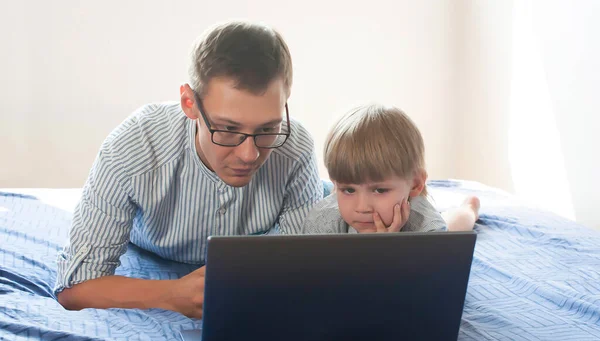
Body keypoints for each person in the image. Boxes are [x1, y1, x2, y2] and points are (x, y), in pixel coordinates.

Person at [55, 21, 323, 318]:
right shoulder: (133, 147)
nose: (250, 155)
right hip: (153, 248)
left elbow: (302, 265)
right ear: (189, 103)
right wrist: (170, 294)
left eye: (268, 128)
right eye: (228, 129)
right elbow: (74, 287)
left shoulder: (295, 148)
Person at [302, 104, 479, 234]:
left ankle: (469, 208)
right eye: (348, 190)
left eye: (379, 190)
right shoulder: (320, 222)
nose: (362, 207)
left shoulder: (427, 229)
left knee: (455, 226)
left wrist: (388, 250)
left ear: (415, 184)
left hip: (428, 223)